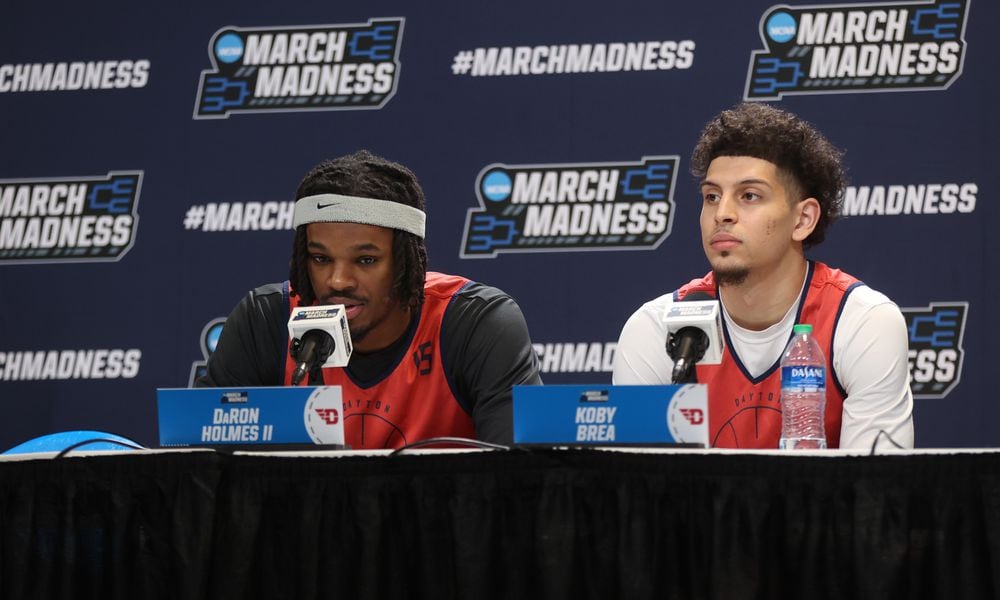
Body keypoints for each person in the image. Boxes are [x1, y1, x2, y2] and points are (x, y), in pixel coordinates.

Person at [613, 103, 914, 450]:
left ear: (803, 220)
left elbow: (872, 489)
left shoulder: (861, 321)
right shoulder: (655, 329)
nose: (722, 214)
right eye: (711, 197)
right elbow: (633, 493)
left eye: (749, 196)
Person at [198, 150, 542, 448]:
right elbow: (198, 473)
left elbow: (518, 477)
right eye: (321, 258)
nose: (338, 281)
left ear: (407, 261)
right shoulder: (267, 320)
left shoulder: (474, 323)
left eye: (366, 260)